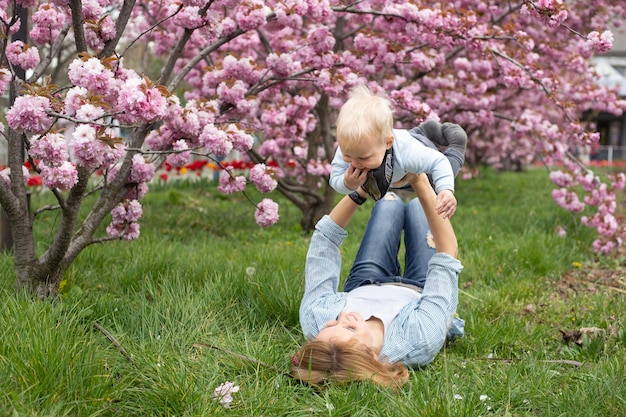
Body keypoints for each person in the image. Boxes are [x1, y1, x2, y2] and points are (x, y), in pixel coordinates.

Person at [291, 173, 464, 389]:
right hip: (420, 288)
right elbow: (447, 253)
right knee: (420, 206)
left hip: (366, 282)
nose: (343, 316)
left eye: (332, 323)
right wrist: (419, 180)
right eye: (350, 328)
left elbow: (323, 243)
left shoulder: (315, 319)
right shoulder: (418, 338)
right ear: (372, 355)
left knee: (387, 203)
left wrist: (362, 189)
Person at [329, 85, 467, 219]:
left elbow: (439, 162)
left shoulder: (407, 153)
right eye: (348, 155)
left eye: (363, 158)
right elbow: (335, 179)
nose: (355, 163)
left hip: (415, 153)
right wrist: (347, 184)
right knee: (413, 137)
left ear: (387, 143)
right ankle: (426, 130)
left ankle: (457, 144)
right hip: (406, 141)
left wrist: (446, 190)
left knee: (438, 178)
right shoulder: (349, 145)